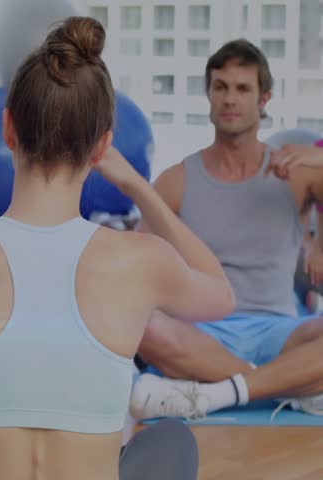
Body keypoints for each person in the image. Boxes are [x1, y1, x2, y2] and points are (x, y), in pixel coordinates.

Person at [0, 17, 235, 480]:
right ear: (101, 149)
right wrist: (137, 186)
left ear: (8, 128)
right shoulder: (140, 260)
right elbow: (222, 293)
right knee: (171, 437)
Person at [129, 40, 323, 420]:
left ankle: (217, 390)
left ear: (263, 99)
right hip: (201, 336)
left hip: (281, 334)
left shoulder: (297, 171)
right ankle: (286, 385)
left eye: (242, 88)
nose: (230, 99)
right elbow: (134, 264)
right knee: (141, 323)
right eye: (221, 87)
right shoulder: (175, 181)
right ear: (209, 95)